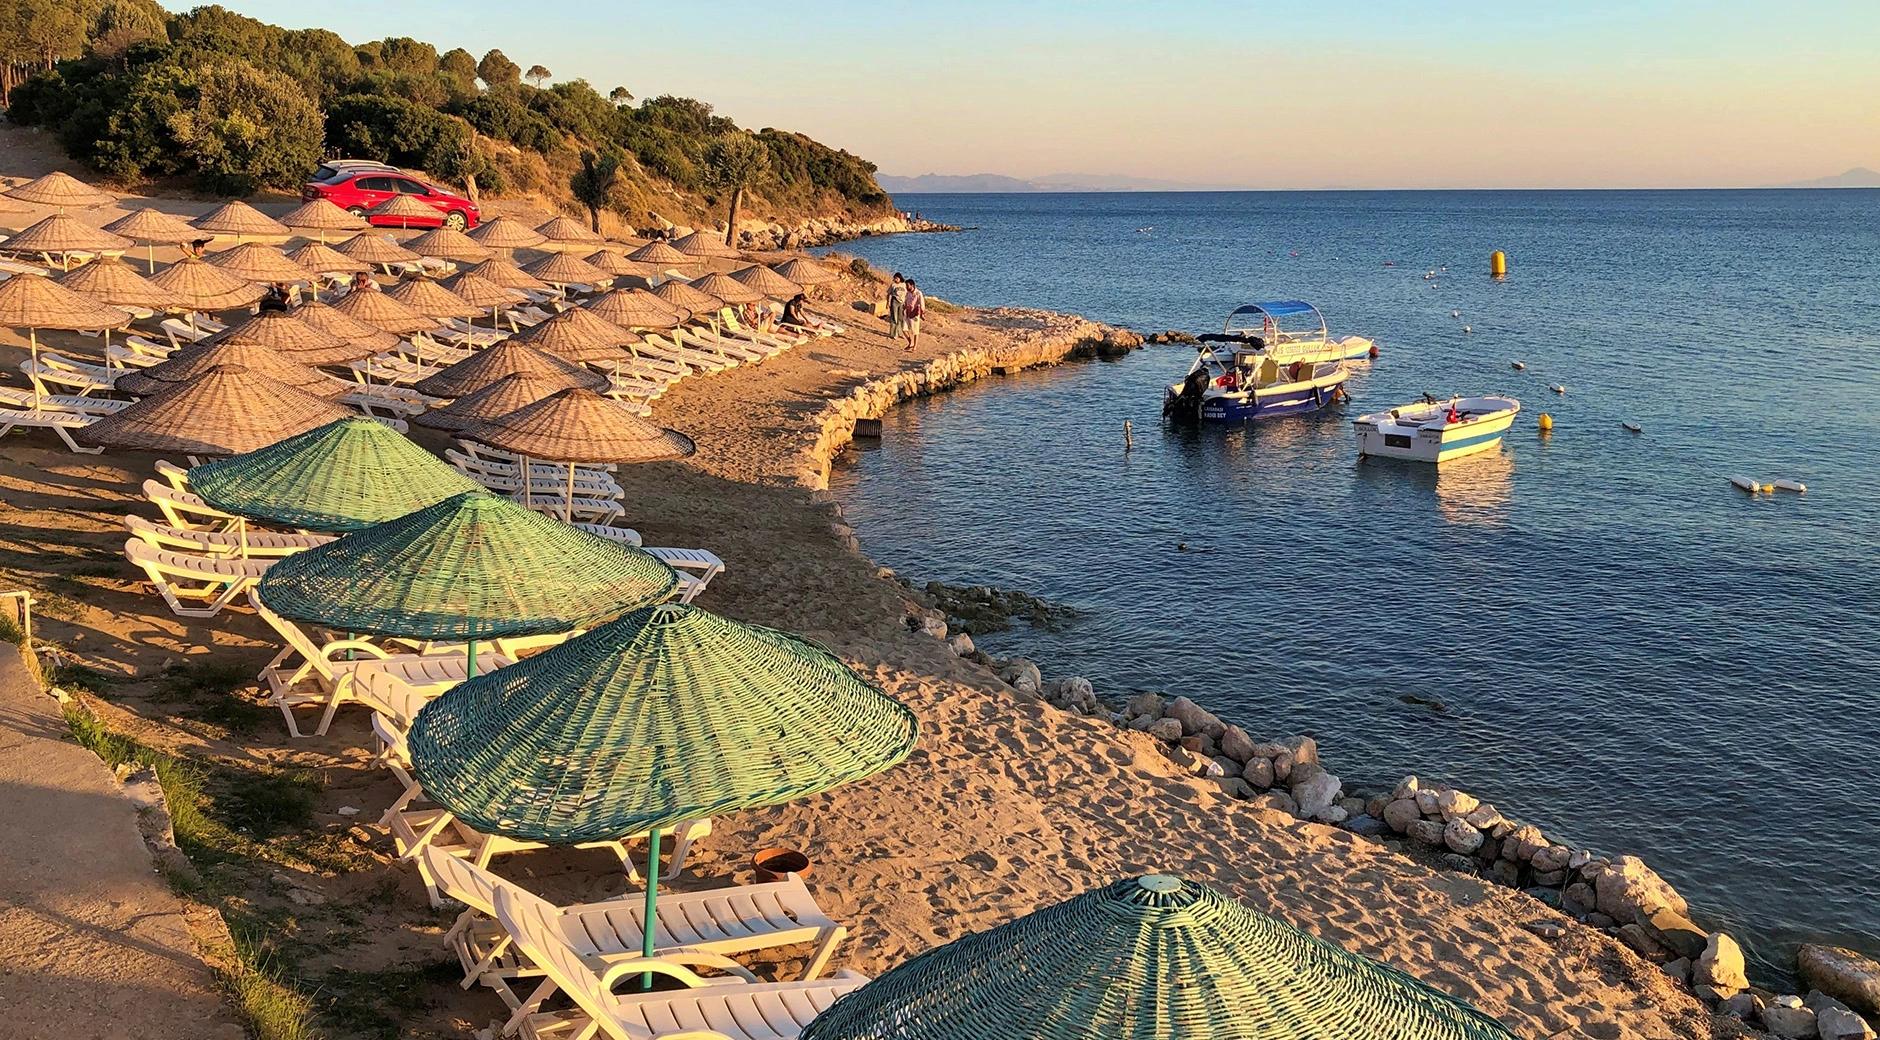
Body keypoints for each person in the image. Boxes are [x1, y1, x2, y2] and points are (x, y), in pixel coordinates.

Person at [902, 278, 925, 351]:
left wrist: (922, 314)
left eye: (907, 285)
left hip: (915, 313)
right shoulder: (908, 293)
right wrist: (904, 308)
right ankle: (910, 342)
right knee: (904, 328)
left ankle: (915, 346)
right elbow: (906, 301)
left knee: (915, 331)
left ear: (912, 285)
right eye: (906, 285)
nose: (906, 287)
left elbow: (922, 304)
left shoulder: (918, 293)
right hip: (907, 312)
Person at [886, 273, 906, 340]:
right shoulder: (893, 285)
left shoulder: (904, 285)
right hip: (894, 301)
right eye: (895, 278)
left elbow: (906, 294)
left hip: (902, 302)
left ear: (900, 278)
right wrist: (888, 303)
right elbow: (888, 294)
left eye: (897, 278)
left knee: (901, 318)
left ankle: (900, 333)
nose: (896, 279)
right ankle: (893, 334)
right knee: (894, 317)